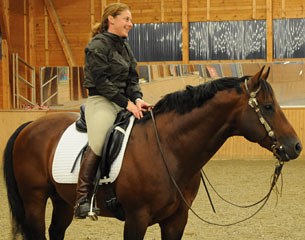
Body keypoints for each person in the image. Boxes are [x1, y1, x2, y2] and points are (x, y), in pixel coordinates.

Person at [74, 2, 150, 219]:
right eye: (127, 19)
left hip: (125, 100)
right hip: (101, 101)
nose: (131, 24)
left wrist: (138, 98)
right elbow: (101, 81)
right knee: (98, 142)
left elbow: (132, 78)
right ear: (112, 19)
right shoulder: (97, 45)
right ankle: (83, 198)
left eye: (131, 20)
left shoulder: (125, 46)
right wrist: (127, 103)